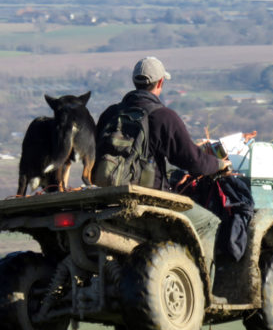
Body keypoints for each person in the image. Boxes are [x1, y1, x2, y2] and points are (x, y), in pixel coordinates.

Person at [94, 56, 231, 252]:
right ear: (160, 82)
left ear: (135, 82)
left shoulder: (110, 114)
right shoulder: (163, 116)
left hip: (108, 196)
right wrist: (219, 164)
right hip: (150, 198)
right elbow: (194, 161)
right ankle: (203, 281)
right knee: (209, 223)